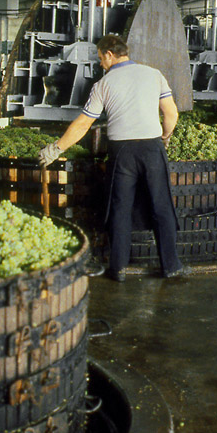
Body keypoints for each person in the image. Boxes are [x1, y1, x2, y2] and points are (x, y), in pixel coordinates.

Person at [40, 34, 182, 281]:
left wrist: (56, 149)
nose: (100, 64)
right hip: (152, 147)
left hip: (122, 151)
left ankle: (118, 268)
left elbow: (84, 123)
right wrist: (165, 137)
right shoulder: (153, 74)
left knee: (120, 207)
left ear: (108, 54)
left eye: (100, 59)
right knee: (161, 206)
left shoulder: (104, 84)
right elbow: (171, 113)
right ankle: (171, 266)